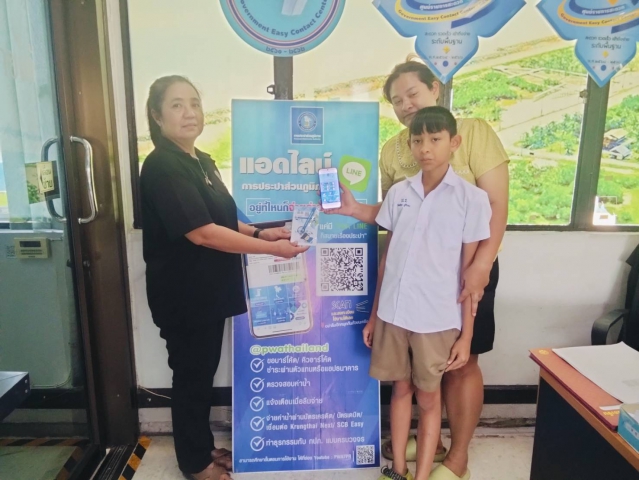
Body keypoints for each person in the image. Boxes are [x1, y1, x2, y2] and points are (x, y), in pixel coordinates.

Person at [327, 59, 509, 480]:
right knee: (412, 380)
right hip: (407, 288)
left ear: (435, 89)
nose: (406, 105)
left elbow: (496, 204)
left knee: (460, 363)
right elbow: (396, 218)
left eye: (412, 93)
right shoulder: (394, 149)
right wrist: (354, 209)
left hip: (463, 269)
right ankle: (429, 446)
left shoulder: (474, 132)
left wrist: (481, 265)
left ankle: (457, 456)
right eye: (397, 100)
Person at [140, 75, 308, 480]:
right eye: (177, 105)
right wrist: (272, 250)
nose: (189, 113)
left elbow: (221, 217)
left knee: (201, 374)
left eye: (194, 103)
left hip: (208, 292)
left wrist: (260, 234)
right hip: (184, 294)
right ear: (157, 116)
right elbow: (202, 232)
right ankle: (195, 464)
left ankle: (201, 447)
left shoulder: (201, 161)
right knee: (191, 377)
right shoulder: (162, 165)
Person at [367, 106, 491, 480]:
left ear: (454, 142)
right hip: (393, 314)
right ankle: (398, 470)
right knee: (400, 390)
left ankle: (422, 475)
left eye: (435, 139)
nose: (425, 148)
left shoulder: (471, 199)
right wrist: (373, 316)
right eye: (418, 140)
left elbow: (470, 279)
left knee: (429, 397)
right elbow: (388, 260)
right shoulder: (399, 193)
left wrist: (466, 336)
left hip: (436, 319)